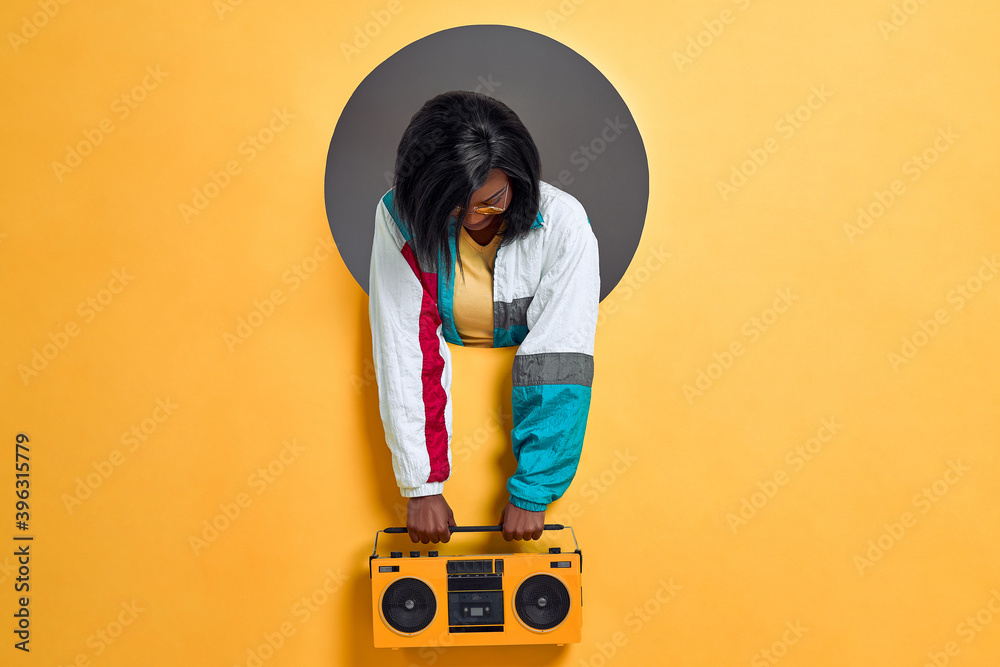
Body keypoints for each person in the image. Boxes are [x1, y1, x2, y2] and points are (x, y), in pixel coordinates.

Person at [368, 90, 599, 544]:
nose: (474, 218)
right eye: (455, 207)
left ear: (519, 176)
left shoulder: (565, 224)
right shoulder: (400, 216)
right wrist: (421, 484)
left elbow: (557, 360)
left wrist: (534, 488)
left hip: (538, 460)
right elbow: (405, 347)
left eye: (492, 201)